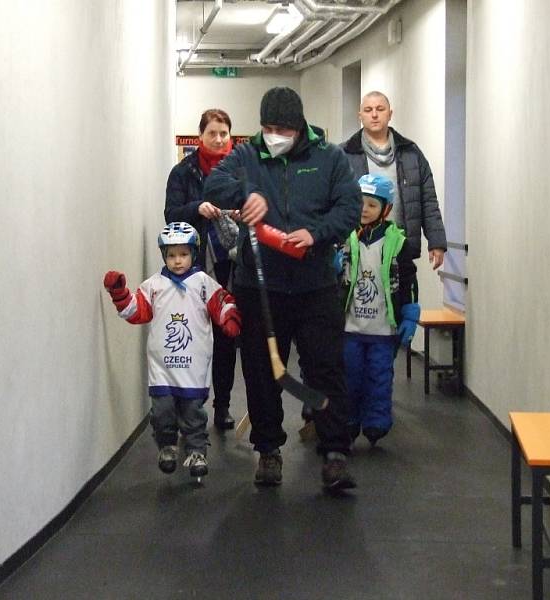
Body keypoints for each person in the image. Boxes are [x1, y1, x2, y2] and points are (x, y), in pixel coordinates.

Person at [203, 87, 361, 491]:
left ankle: (335, 453)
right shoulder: (246, 156)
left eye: (283, 129)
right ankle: (268, 450)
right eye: (268, 128)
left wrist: (316, 233)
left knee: (326, 367)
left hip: (316, 283)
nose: (275, 135)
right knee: (260, 370)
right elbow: (214, 183)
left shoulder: (329, 158)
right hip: (260, 284)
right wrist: (245, 195)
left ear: (299, 126)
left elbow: (349, 208)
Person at [103, 222, 241, 481]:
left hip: (193, 364)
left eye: (183, 254)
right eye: (171, 255)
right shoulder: (153, 286)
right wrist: (120, 293)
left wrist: (229, 317)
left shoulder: (202, 283)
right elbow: (136, 311)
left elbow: (223, 301)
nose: (177, 261)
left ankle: (197, 450)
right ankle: (167, 445)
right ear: (164, 256)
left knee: (193, 411)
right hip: (163, 366)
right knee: (162, 410)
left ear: (194, 253)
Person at [165, 108, 240, 431]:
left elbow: (260, 210)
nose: (219, 139)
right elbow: (171, 215)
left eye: (224, 133)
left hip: (232, 266)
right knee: (191, 341)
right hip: (192, 270)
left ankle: (222, 406)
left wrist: (239, 214)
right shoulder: (183, 173)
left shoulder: (241, 171)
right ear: (201, 137)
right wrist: (197, 208)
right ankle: (189, 409)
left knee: (226, 338)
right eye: (213, 133)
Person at [337, 173, 419, 447]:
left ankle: (376, 421)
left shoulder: (397, 244)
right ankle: (348, 421)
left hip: (384, 329)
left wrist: (409, 313)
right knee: (350, 377)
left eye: (372, 204)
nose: (364, 209)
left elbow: (408, 280)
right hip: (351, 327)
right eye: (360, 203)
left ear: (386, 209)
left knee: (380, 378)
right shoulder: (345, 239)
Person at [341, 91, 447, 270]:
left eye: (380, 109)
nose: (374, 114)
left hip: (401, 247)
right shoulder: (344, 154)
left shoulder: (411, 153)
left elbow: (428, 200)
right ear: (360, 116)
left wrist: (436, 241)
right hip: (358, 247)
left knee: (403, 296)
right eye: (368, 110)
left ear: (390, 114)